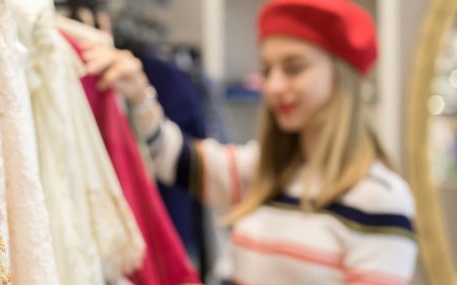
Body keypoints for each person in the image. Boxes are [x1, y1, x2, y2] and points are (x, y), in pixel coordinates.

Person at [81, 0, 418, 284]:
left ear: (342, 76)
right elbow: (172, 158)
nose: (273, 86)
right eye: (267, 70)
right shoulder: (265, 172)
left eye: (294, 68)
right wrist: (138, 93)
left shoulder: (381, 199)